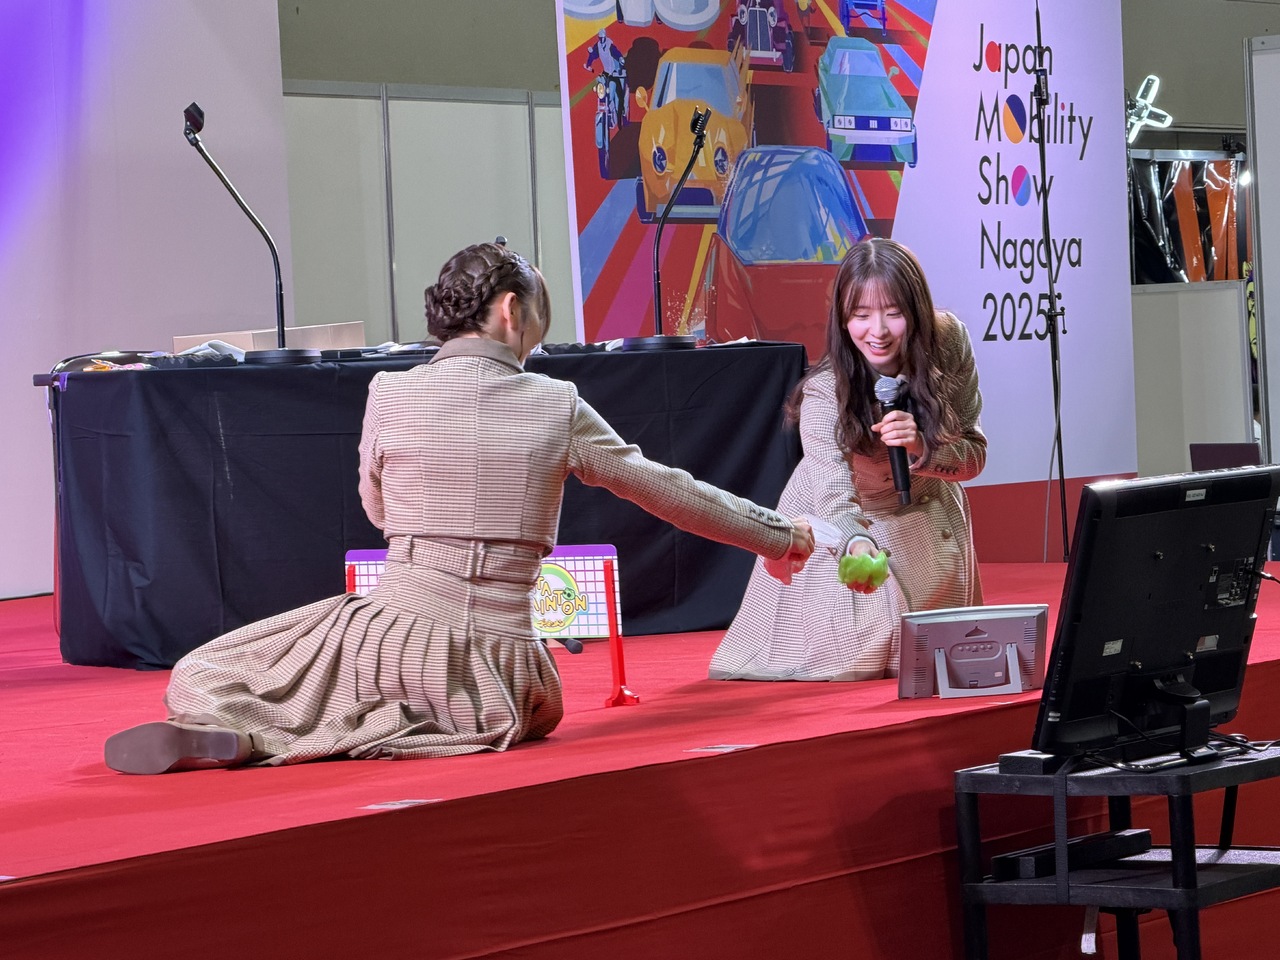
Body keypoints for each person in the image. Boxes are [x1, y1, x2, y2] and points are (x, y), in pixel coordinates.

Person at [104, 242, 815, 774]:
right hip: (510, 679)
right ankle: (342, 724)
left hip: (396, 638)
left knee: (206, 671)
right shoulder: (556, 403)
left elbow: (378, 513)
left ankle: (253, 733)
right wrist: (781, 536)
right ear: (510, 311)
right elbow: (670, 491)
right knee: (394, 693)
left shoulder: (390, 393)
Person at [708, 237, 986, 682]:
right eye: (860, 315)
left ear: (917, 311)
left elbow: (973, 456)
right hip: (844, 515)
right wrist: (856, 542)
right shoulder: (825, 391)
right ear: (842, 318)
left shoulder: (948, 342)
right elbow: (834, 492)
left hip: (926, 501)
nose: (878, 331)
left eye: (893, 312)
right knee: (866, 655)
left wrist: (922, 448)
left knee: (931, 654)